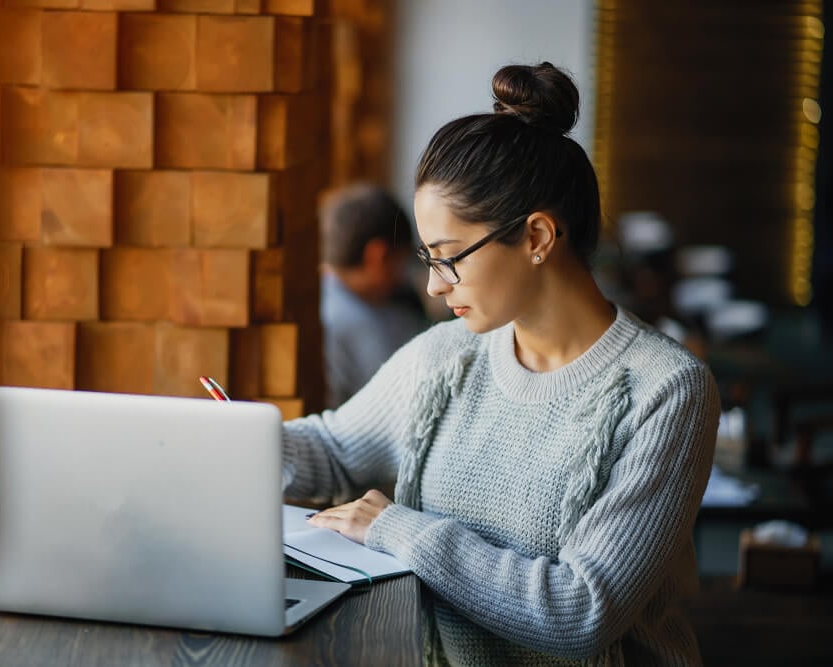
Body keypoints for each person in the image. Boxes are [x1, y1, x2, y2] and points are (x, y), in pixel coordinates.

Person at [282, 62, 720, 665]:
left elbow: (580, 611)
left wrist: (397, 528)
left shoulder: (667, 391)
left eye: (449, 257)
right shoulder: (447, 355)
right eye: (426, 258)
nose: (435, 287)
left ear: (538, 236)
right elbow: (332, 449)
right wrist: (228, 446)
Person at [319, 183, 430, 408]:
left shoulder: (325, 295)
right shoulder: (353, 322)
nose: (402, 277)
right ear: (377, 256)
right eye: (401, 262)